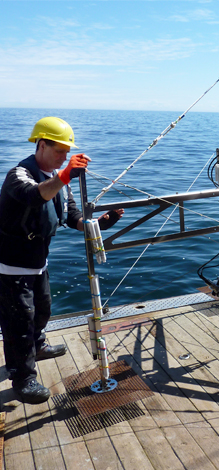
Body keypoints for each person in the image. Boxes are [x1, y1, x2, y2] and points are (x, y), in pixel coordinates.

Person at [0, 117, 123, 404]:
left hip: (39, 261)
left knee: (42, 310)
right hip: (10, 266)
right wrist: (66, 175)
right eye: (59, 151)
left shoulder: (58, 179)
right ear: (41, 145)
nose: (64, 158)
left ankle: (38, 345)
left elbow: (71, 217)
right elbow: (34, 196)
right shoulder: (18, 175)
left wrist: (102, 224)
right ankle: (22, 377)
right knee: (19, 322)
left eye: (68, 153)